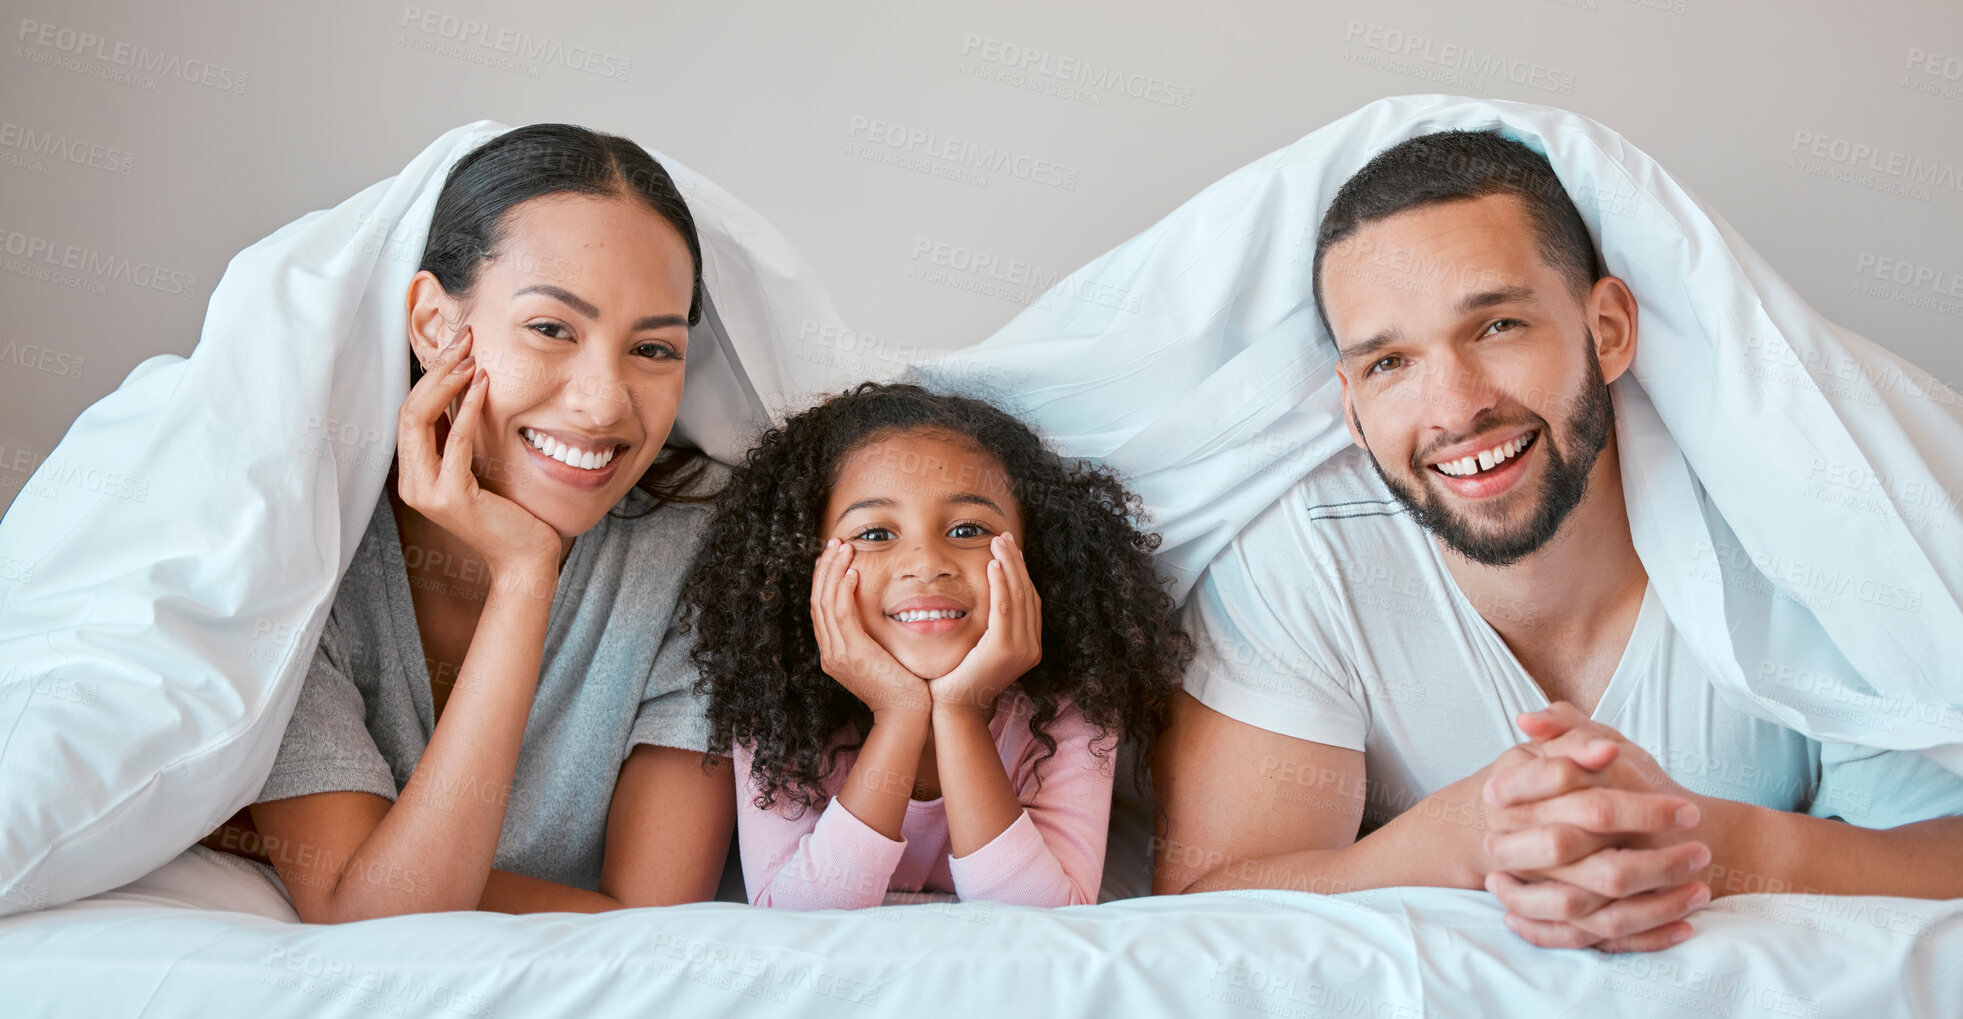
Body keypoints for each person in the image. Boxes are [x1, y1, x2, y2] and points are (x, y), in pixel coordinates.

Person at [1152, 129, 1963, 952]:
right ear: (1350, 405)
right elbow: (1202, 903)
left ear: (1606, 329)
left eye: (1497, 324)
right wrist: (1455, 842)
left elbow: (1945, 852)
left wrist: (1715, 847)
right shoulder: (1306, 558)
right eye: (1390, 362)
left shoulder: (1797, 529)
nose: (1454, 407)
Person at [201, 124, 735, 922]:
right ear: (433, 326)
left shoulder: (698, 549)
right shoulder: (301, 545)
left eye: (653, 349)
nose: (605, 402)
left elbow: (651, 925)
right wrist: (525, 577)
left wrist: (527, 571)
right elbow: (369, 919)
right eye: (552, 329)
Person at [681, 382, 1192, 908]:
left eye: (968, 528)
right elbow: (795, 919)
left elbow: (1045, 920)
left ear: (1036, 557)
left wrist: (961, 713)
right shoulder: (775, 700)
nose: (927, 563)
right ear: (803, 565)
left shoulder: (1072, 704)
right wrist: (899, 714)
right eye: (876, 534)